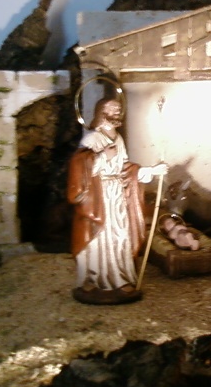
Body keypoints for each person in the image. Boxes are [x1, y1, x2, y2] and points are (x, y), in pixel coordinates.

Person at [67, 97, 167, 305]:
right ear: (102, 112)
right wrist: (102, 156)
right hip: (98, 196)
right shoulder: (92, 139)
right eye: (113, 109)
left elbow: (125, 168)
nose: (117, 113)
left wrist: (151, 170)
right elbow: (79, 164)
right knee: (100, 238)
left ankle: (120, 279)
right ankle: (95, 279)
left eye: (119, 109)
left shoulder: (118, 138)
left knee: (120, 235)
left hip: (117, 193)